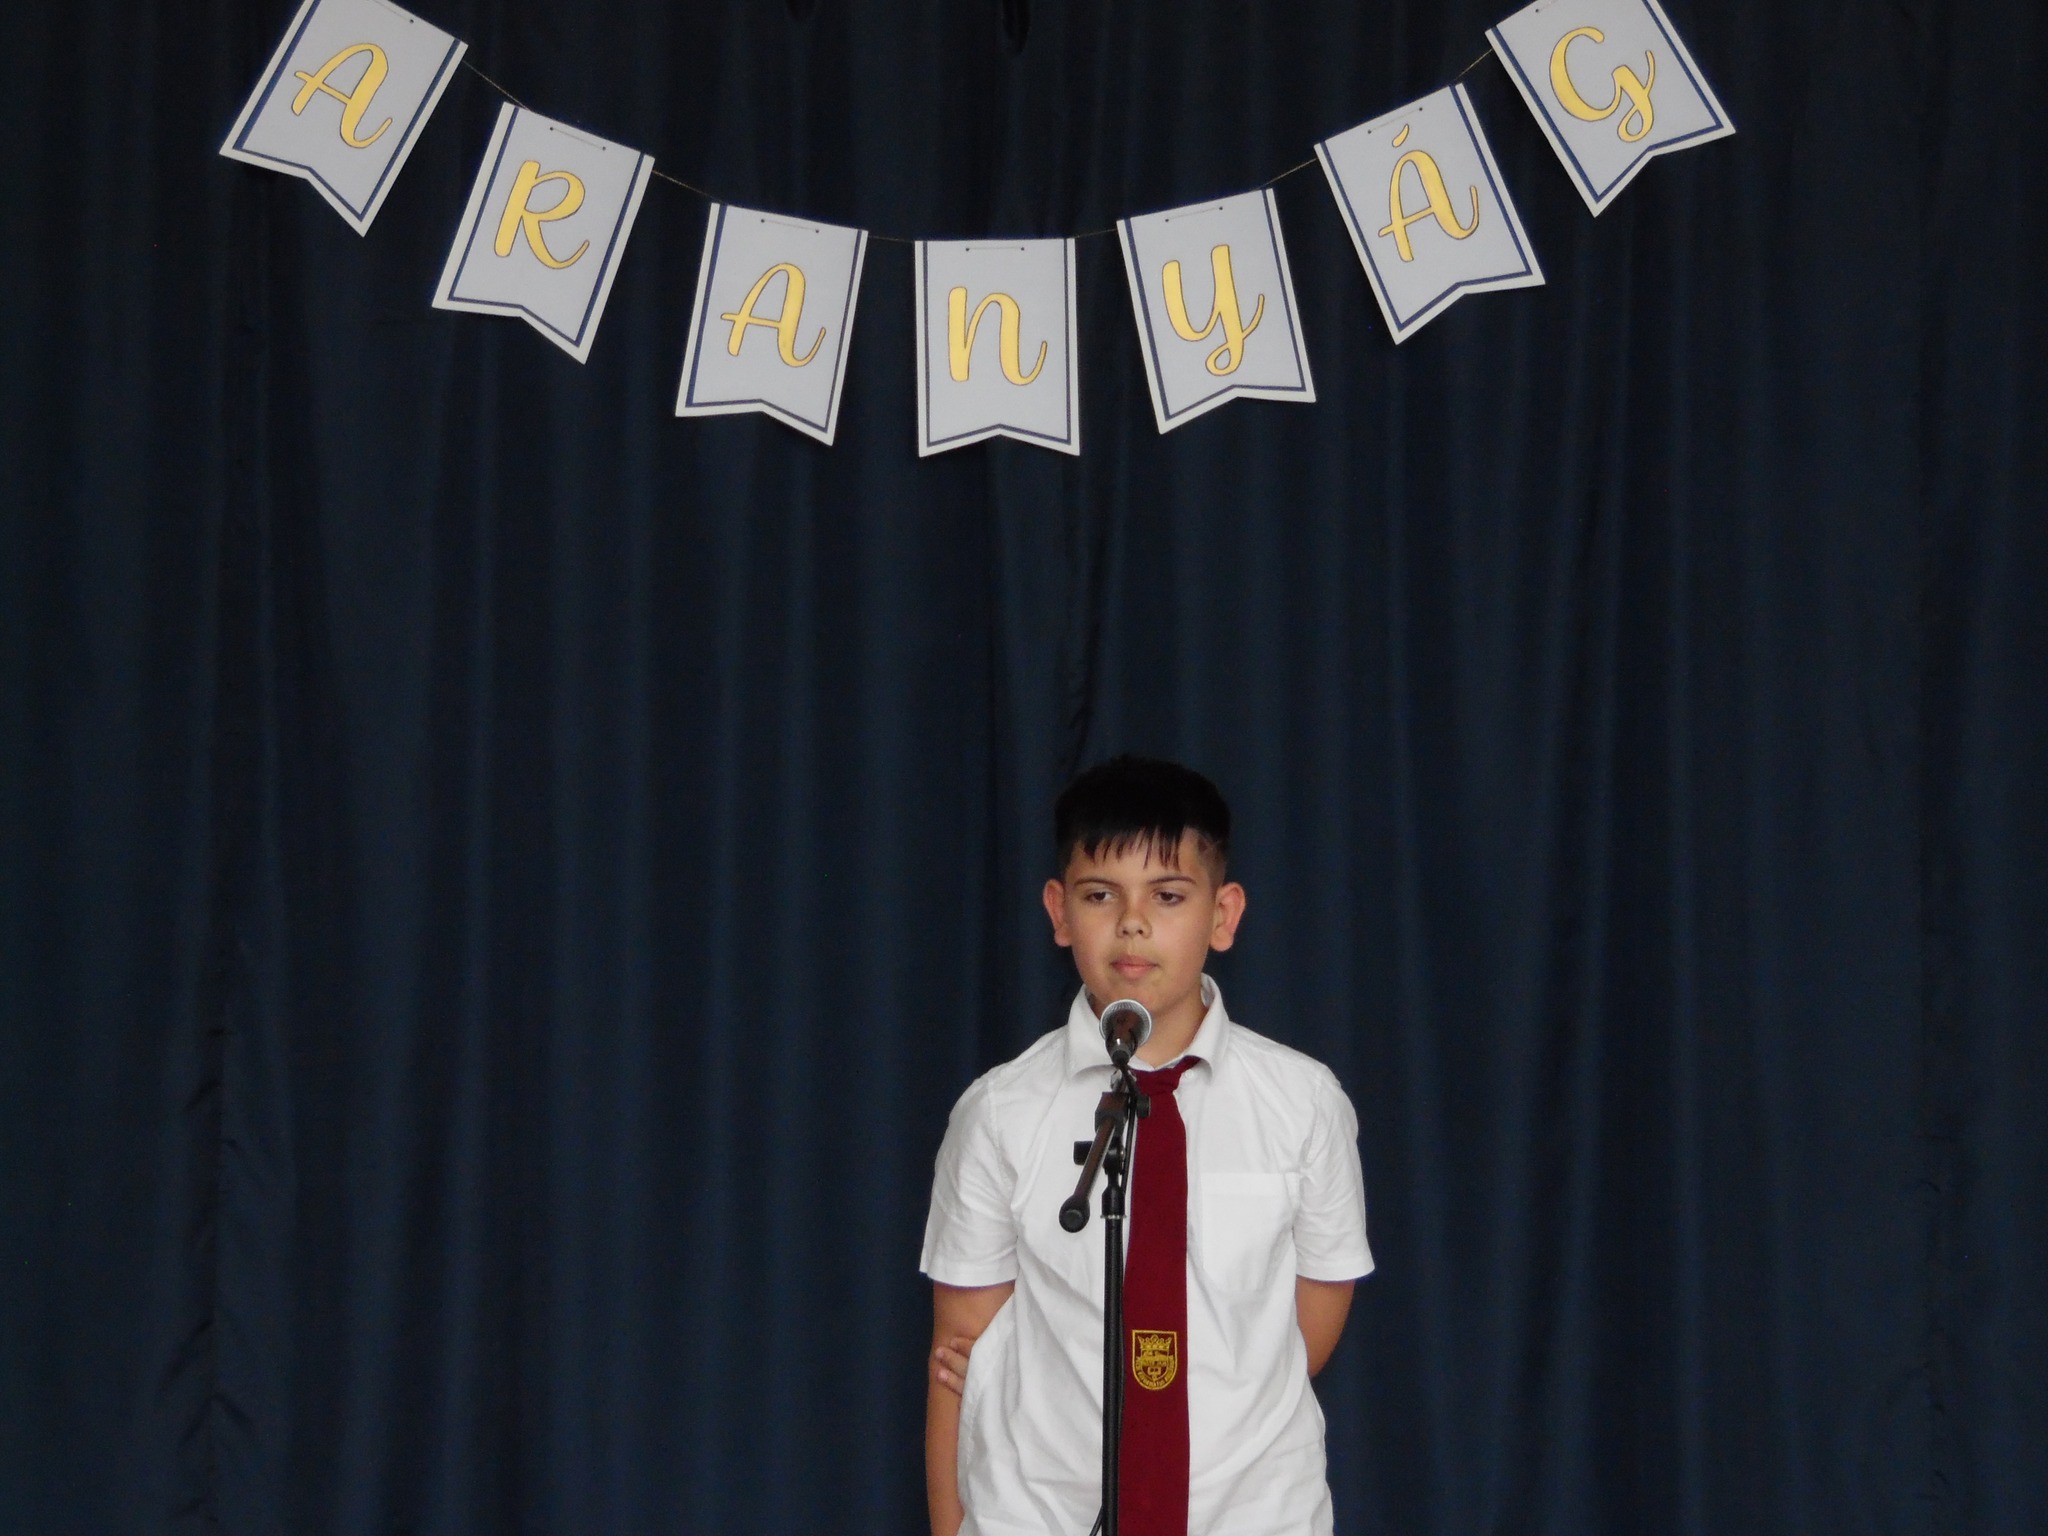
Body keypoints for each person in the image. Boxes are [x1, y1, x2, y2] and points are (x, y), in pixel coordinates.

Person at [920, 756, 1372, 1536]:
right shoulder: (999, 1113)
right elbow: (961, 1352)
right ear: (1060, 912)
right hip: (1042, 1517)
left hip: (1251, 1516)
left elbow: (1310, 1320)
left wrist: (1220, 1390)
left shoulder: (1303, 1104)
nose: (1133, 923)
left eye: (1167, 896)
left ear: (1223, 915)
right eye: (1101, 895)